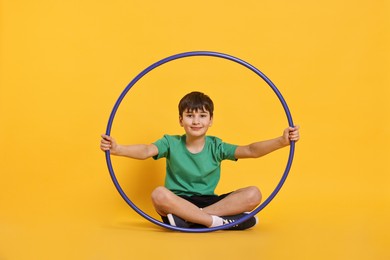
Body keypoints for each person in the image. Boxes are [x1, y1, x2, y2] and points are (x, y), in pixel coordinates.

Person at [100, 91, 300, 230]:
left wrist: (282, 141)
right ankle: (218, 222)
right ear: (181, 120)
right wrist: (117, 149)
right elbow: (145, 150)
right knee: (159, 194)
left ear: (210, 120)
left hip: (209, 202)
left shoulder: (217, 146)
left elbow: (251, 150)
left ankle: (194, 220)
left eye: (202, 116)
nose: (196, 121)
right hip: (177, 202)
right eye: (189, 116)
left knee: (253, 194)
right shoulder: (170, 142)